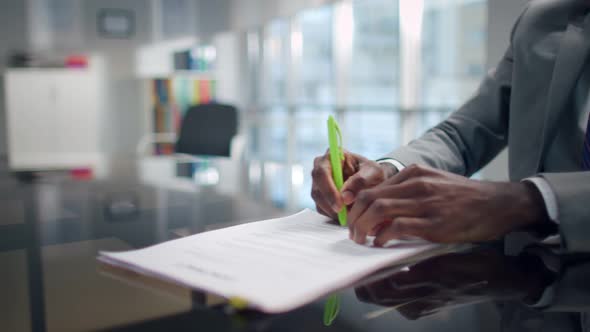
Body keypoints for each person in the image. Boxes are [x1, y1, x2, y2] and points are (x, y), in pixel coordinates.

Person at [311, 0, 590, 252]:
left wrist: (529, 202)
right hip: (537, 283)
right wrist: (387, 173)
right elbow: (463, 134)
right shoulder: (543, 20)